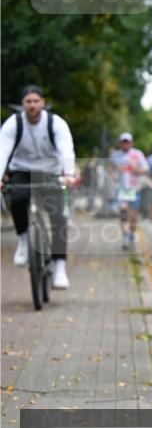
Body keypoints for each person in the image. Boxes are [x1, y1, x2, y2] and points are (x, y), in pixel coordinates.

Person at [0, 85, 76, 289]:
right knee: (17, 199)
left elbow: (66, 149)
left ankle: (60, 267)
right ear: (22, 104)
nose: (32, 105)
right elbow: (2, 151)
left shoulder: (55, 123)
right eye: (28, 101)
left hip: (49, 171)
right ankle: (23, 240)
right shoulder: (13, 123)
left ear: (43, 102)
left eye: (36, 101)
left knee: (58, 218)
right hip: (21, 170)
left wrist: (69, 173)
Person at [111, 133, 149, 251]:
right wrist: (113, 176)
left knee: (133, 215)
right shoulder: (116, 155)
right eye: (123, 142)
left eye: (127, 142)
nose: (125, 144)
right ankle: (126, 236)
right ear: (120, 143)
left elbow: (146, 169)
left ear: (131, 143)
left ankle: (131, 231)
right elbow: (110, 167)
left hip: (135, 189)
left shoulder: (137, 154)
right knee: (123, 212)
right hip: (122, 189)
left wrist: (136, 169)